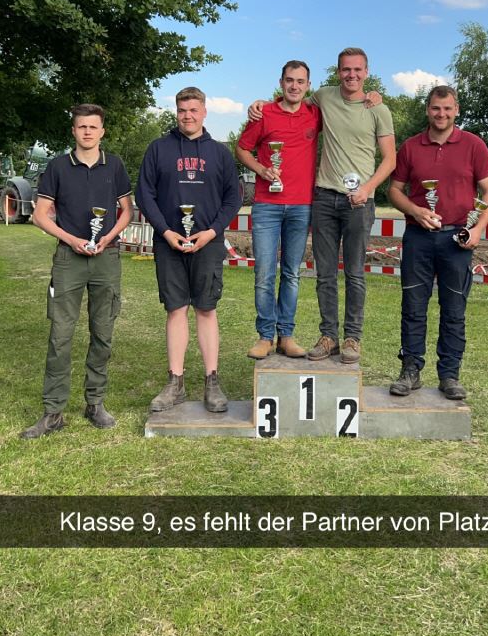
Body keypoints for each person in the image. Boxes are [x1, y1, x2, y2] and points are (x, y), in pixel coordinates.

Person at [249, 47, 395, 364]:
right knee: (325, 274)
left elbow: (390, 159)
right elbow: (290, 99)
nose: (351, 75)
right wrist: (260, 103)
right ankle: (328, 336)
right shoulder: (324, 98)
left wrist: (368, 189)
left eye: (357, 70)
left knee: (354, 274)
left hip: (359, 201)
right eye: (346, 69)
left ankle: (352, 338)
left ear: (366, 72)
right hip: (324, 198)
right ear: (338, 72)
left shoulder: (378, 109)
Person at [20, 104, 133, 439]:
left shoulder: (115, 165)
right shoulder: (57, 167)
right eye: (82, 126)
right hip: (69, 259)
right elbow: (40, 215)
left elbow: (127, 211)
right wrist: (72, 240)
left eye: (93, 127)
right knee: (60, 335)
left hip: (106, 259)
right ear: (74, 130)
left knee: (103, 332)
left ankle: (95, 403)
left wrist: (108, 237)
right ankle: (53, 411)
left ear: (102, 131)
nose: (87, 132)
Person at [388, 85, 488, 400]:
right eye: (436, 108)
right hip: (418, 238)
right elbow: (394, 190)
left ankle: (449, 375)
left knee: (454, 310)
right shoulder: (411, 146)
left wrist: (478, 229)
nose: (442, 114)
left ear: (456, 110)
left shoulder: (474, 145)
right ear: (428, 110)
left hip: (457, 240)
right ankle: (410, 370)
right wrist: (415, 210)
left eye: (447, 108)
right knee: (413, 307)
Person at [136, 87, 241, 414]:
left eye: (194, 110)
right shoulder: (158, 149)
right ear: (176, 112)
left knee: (206, 309)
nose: (188, 116)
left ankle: (212, 381)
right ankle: (175, 382)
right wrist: (165, 231)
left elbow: (233, 197)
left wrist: (212, 232)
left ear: (204, 112)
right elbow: (144, 195)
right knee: (176, 309)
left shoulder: (220, 153)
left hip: (207, 242)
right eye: (182, 110)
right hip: (169, 243)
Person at [236, 60, 321, 359]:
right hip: (267, 206)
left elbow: (346, 105)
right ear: (281, 82)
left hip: (301, 205)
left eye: (300, 81)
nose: (294, 86)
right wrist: (261, 169)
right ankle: (265, 336)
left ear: (308, 85)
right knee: (264, 273)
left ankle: (286, 335)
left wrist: (372, 96)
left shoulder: (316, 114)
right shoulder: (264, 113)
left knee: (292, 273)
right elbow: (241, 148)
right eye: (289, 80)